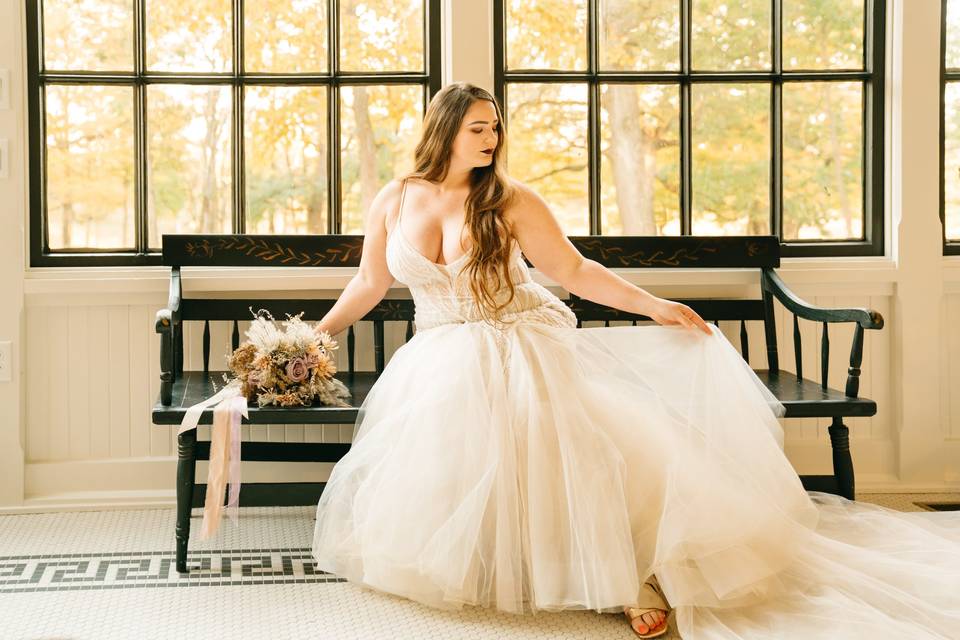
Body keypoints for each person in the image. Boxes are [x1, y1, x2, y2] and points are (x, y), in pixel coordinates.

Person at [311, 82, 960, 639]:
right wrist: (319, 337)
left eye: (496, 127)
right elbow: (370, 282)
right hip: (440, 353)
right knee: (458, 464)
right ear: (445, 130)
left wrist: (654, 305)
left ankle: (630, 575)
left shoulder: (509, 199)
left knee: (571, 452)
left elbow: (572, 270)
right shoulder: (396, 197)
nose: (492, 137)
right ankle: (513, 564)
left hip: (519, 340)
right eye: (479, 127)